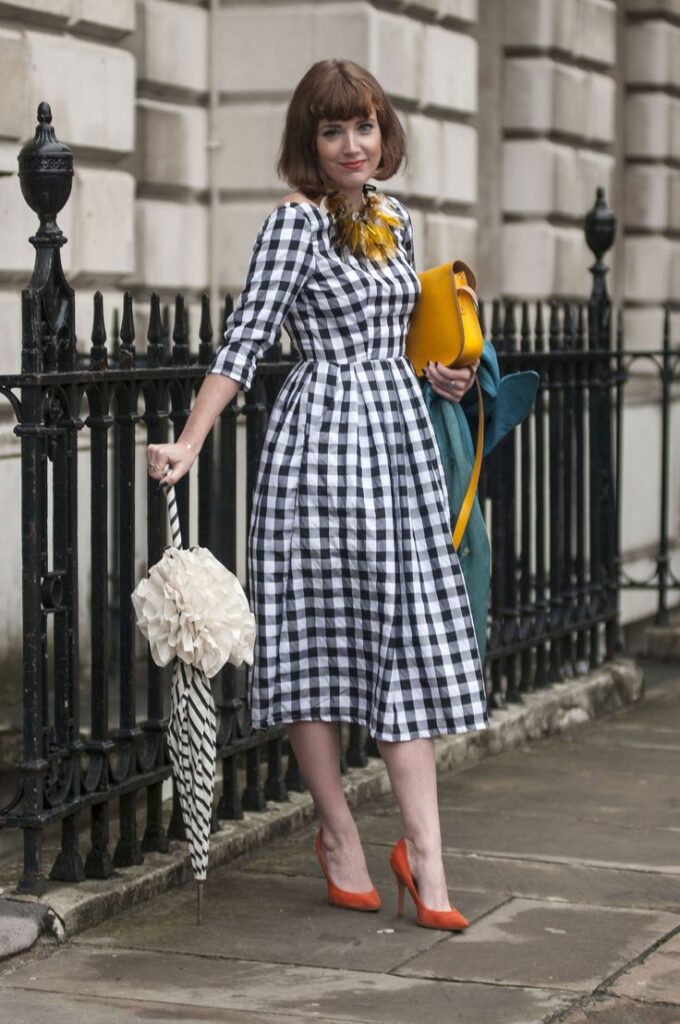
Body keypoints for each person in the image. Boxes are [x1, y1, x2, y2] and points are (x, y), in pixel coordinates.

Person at [147, 59, 488, 931]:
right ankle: (338, 834)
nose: (352, 144)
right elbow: (246, 341)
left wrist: (442, 378)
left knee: (406, 645)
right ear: (309, 141)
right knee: (316, 646)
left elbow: (406, 341)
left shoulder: (394, 220)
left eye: (364, 126)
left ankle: (428, 862)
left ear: (384, 133)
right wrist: (189, 442)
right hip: (320, 450)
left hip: (399, 446)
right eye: (333, 130)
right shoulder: (294, 226)